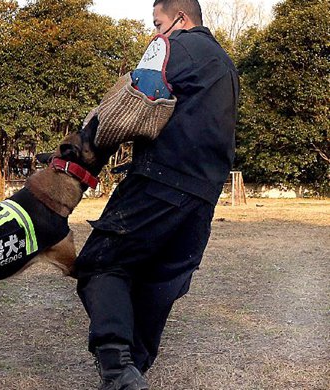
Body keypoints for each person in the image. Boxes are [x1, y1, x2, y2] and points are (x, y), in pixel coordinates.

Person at [74, 0, 239, 389]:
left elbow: (134, 99)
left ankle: (116, 365)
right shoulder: (226, 64)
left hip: (161, 180)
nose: (155, 31)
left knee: (100, 263)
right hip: (204, 195)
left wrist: (85, 147)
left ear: (180, 19)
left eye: (158, 22)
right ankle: (134, 373)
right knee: (158, 282)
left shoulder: (174, 46)